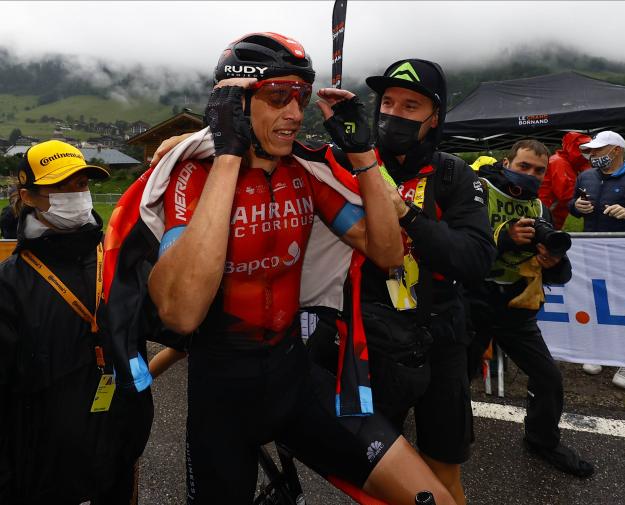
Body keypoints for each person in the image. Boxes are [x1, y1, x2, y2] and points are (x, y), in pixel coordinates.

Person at [144, 33, 454, 505]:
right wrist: (228, 153)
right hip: (222, 390)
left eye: (301, 98)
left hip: (294, 376)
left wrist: (363, 155)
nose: (295, 113)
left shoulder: (304, 174)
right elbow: (182, 314)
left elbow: (388, 254)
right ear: (234, 103)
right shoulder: (193, 175)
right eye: (277, 97)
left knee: (433, 499)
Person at [344, 59, 495, 505]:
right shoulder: (353, 162)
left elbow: (475, 259)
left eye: (411, 105)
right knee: (374, 469)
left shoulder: (453, 174)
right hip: (373, 339)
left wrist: (406, 213)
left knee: (442, 466)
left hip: (442, 340)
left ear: (435, 117)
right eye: (387, 102)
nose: (394, 113)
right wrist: (195, 139)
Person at [0, 140, 141, 503]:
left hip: (117, 456)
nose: (76, 194)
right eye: (61, 186)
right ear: (29, 196)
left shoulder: (116, 262)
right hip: (43, 474)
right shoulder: (9, 284)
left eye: (81, 184)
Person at [466, 139, 594, 478]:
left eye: (539, 170)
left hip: (515, 306)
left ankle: (542, 440)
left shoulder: (539, 207)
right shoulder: (479, 190)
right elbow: (460, 249)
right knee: (453, 377)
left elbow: (561, 273)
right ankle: (441, 436)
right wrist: (504, 238)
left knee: (548, 378)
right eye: (524, 166)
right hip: (471, 300)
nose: (531, 175)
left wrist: (551, 262)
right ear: (507, 162)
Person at [570, 130, 625, 388]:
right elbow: (571, 203)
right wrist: (576, 207)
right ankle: (601, 350)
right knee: (599, 301)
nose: (593, 155)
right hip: (593, 252)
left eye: (598, 150)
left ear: (616, 150)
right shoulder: (586, 176)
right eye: (591, 150)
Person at [538, 131, 592, 229]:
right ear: (573, 148)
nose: (587, 154)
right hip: (547, 213)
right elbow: (567, 193)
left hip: (554, 214)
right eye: (584, 150)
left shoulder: (569, 163)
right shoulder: (559, 162)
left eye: (589, 150)